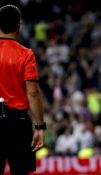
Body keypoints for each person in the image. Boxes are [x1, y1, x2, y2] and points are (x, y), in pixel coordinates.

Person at [0, 5, 46, 175]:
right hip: (17, 123)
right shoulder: (26, 55)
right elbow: (33, 92)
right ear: (19, 25)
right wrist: (40, 126)